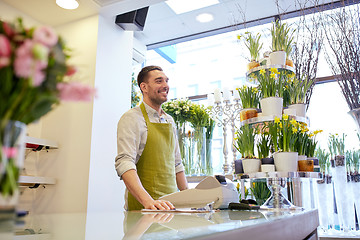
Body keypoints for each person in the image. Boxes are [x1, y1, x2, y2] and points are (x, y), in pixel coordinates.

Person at [115, 65, 188, 211]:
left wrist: (191, 201)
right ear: (144, 87)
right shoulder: (131, 118)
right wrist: (148, 202)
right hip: (144, 209)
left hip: (171, 208)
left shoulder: (170, 121)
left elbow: (177, 164)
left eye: (166, 81)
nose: (165, 85)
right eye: (159, 81)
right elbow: (125, 163)